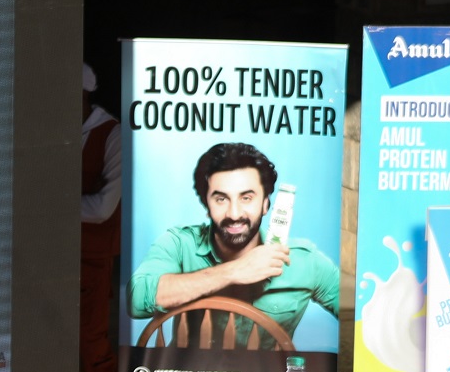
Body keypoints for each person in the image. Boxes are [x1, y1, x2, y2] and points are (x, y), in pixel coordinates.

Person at [128, 142, 339, 347]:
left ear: (266, 204)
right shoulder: (179, 244)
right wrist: (234, 271)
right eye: (221, 199)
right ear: (206, 204)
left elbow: (359, 315)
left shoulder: (306, 262)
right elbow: (135, 300)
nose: (234, 214)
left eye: (246, 198)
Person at [31, 63, 122, 372]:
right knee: (56, 354)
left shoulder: (112, 134)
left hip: (91, 262)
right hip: (52, 260)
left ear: (84, 95)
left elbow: (104, 208)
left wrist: (51, 206)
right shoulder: (53, 134)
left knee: (93, 354)